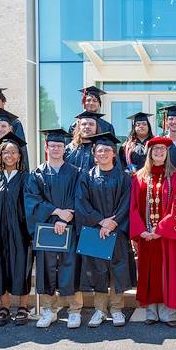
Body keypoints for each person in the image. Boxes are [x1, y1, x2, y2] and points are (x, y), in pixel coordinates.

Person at [129, 136, 176, 326]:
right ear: (149, 153)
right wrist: (141, 231)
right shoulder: (139, 177)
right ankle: (151, 313)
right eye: (155, 149)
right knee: (149, 273)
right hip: (146, 238)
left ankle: (170, 314)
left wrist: (161, 229)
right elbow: (132, 206)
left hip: (168, 237)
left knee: (170, 273)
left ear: (167, 153)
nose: (159, 152)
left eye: (162, 150)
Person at [75, 132, 135, 328]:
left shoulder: (124, 178)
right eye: (99, 150)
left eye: (107, 150)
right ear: (94, 154)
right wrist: (100, 221)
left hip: (116, 231)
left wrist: (113, 222)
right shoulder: (87, 177)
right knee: (97, 271)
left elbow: (128, 202)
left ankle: (117, 309)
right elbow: (81, 203)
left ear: (114, 153)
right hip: (95, 230)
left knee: (117, 270)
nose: (103, 153)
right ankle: (100, 310)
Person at [25, 128, 83, 329]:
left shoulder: (75, 173)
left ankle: (75, 310)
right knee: (47, 269)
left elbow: (80, 199)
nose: (56, 148)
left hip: (69, 226)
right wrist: (57, 212)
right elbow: (32, 201)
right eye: (52, 145)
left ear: (64, 148)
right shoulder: (37, 174)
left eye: (59, 145)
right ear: (46, 147)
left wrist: (66, 218)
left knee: (71, 267)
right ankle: (49, 310)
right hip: (46, 229)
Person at [0, 132, 33, 326]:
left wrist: (30, 231)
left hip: (20, 230)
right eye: (6, 152)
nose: (10, 155)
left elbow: (30, 206)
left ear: (19, 156)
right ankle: (4, 307)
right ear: (0, 155)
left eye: (14, 152)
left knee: (22, 266)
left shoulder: (26, 178)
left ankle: (23, 307)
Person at [0, 108, 29, 173]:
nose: (0, 129)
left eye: (3, 126)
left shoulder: (17, 146)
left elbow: (24, 168)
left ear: (10, 128)